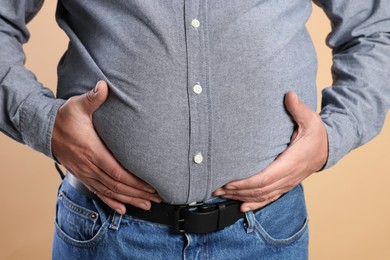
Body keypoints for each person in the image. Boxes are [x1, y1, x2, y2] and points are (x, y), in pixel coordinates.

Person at [0, 0, 389, 259]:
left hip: (268, 232)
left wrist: (335, 135)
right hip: (106, 231)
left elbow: (374, 27)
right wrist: (43, 123)